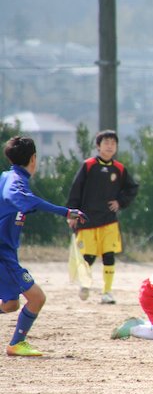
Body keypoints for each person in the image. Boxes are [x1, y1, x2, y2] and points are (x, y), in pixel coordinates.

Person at [0, 136, 87, 357]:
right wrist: (66, 211)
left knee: (10, 304)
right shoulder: (15, 181)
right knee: (37, 298)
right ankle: (16, 344)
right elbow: (18, 197)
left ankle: (16, 343)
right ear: (33, 158)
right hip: (3, 254)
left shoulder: (8, 176)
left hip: (7, 252)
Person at [67, 129, 139, 304]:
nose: (110, 146)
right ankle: (85, 284)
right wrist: (72, 213)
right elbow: (76, 189)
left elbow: (132, 188)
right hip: (88, 219)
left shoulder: (120, 168)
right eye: (106, 143)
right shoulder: (88, 165)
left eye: (113, 143)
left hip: (109, 221)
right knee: (89, 257)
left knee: (109, 255)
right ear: (98, 146)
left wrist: (120, 202)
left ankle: (107, 292)